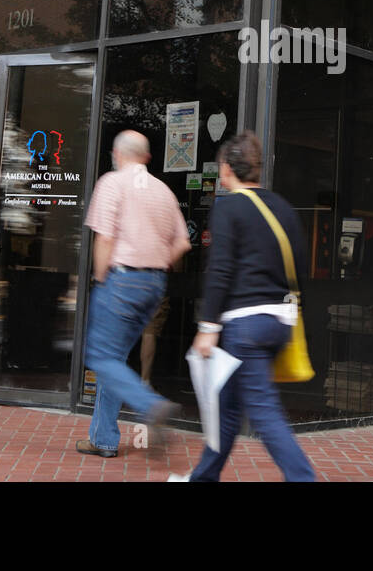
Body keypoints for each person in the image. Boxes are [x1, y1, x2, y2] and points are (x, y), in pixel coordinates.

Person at [177, 131, 315, 482]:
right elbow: (300, 266)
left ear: (226, 168)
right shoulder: (283, 207)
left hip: (246, 327)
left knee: (264, 413)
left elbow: (220, 269)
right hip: (280, 323)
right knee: (226, 410)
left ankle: (303, 477)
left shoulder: (228, 207)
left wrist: (208, 327)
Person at [78, 130, 191, 457]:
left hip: (122, 281)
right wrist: (155, 265)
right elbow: (183, 242)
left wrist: (102, 280)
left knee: (99, 356)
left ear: (117, 153)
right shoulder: (164, 191)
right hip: (154, 284)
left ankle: (151, 405)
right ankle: (103, 439)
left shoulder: (112, 183)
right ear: (147, 157)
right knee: (113, 360)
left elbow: (105, 239)